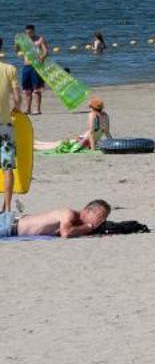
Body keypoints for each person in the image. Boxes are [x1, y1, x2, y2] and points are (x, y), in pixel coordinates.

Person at [0, 200, 110, 239]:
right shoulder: (69, 214)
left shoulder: (75, 223)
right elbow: (66, 234)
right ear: (86, 211)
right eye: (99, 216)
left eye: (103, 219)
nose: (100, 221)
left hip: (11, 225)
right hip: (8, 224)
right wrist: (88, 227)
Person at [1, 49, 19, 215]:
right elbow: (17, 98)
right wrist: (16, 108)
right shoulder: (10, 69)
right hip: (4, 126)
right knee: (7, 167)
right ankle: (6, 208)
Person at [17, 26, 48, 115]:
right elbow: (17, 50)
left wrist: (42, 57)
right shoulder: (23, 41)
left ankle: (38, 109)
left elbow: (46, 51)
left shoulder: (40, 39)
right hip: (26, 66)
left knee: (37, 89)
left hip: (37, 67)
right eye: (27, 33)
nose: (28, 34)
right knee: (27, 90)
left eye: (30, 32)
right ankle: (28, 109)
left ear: (33, 31)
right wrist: (16, 43)